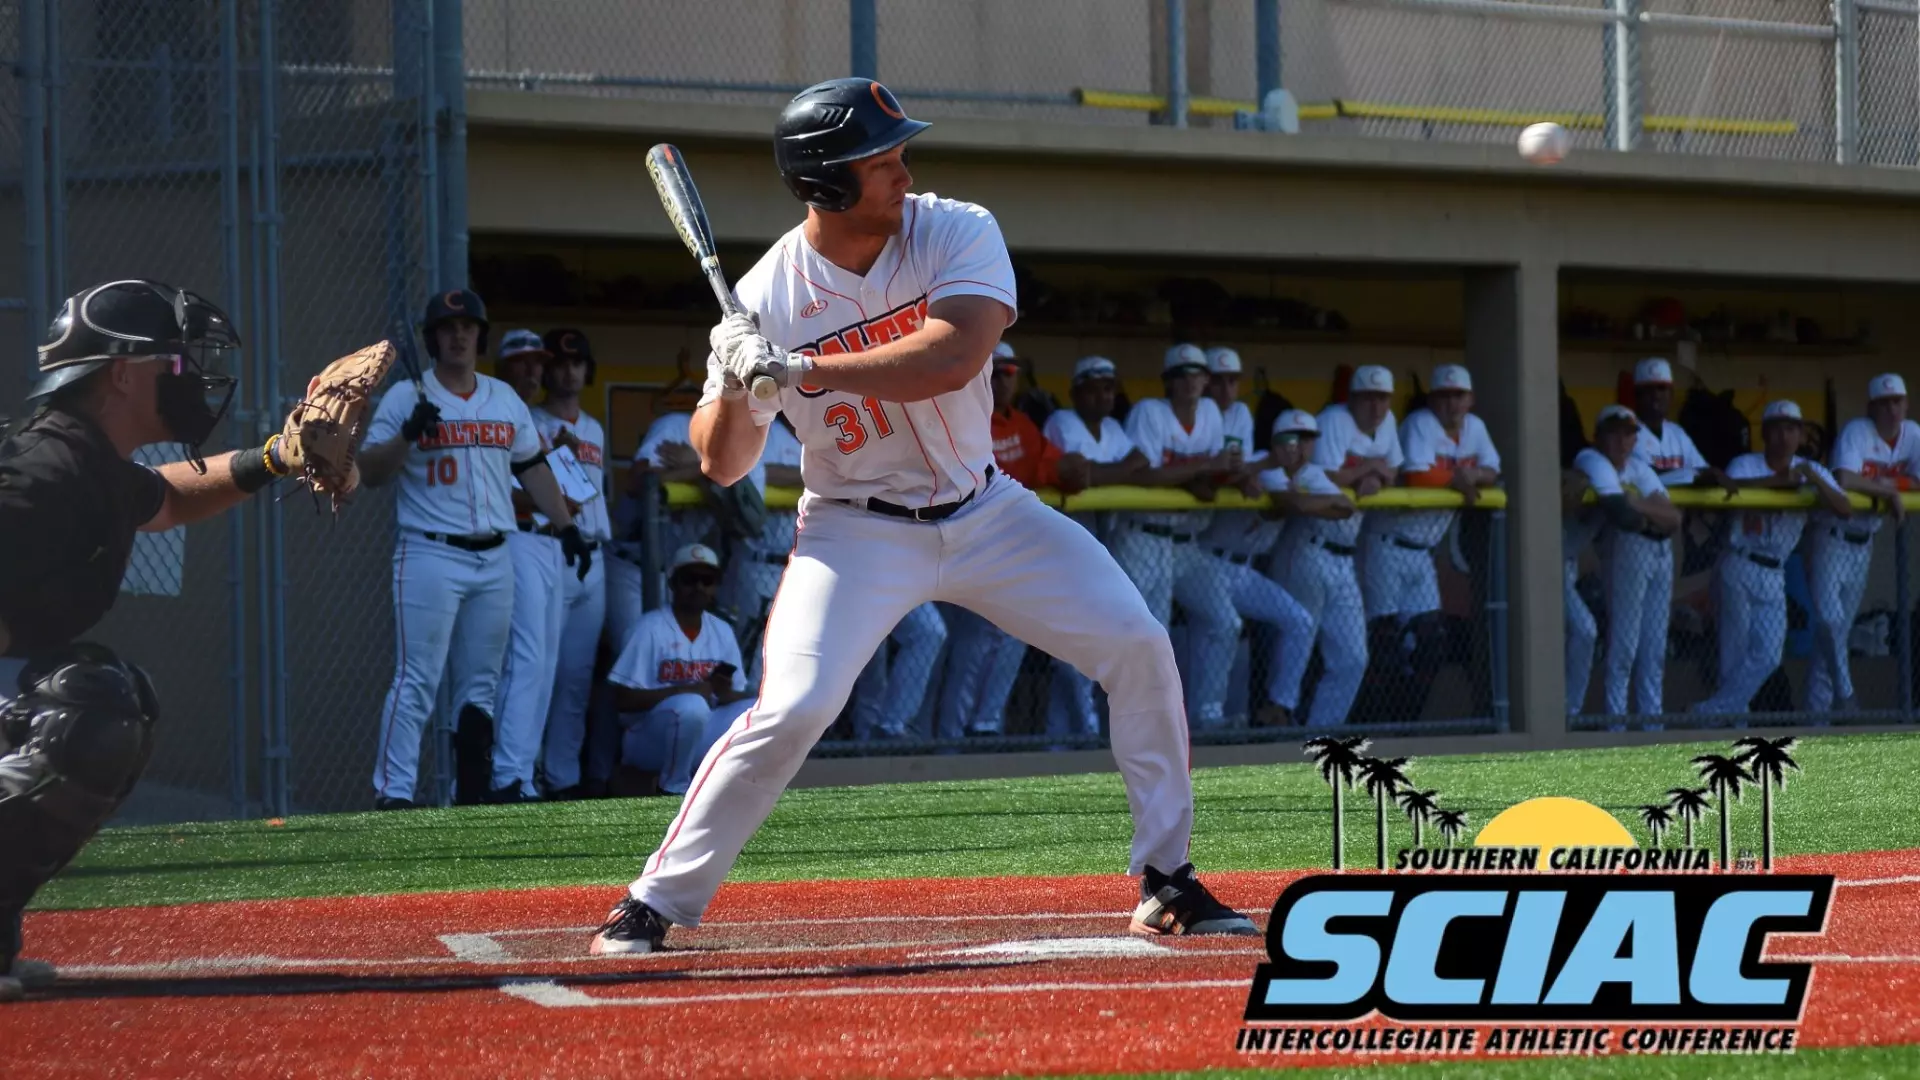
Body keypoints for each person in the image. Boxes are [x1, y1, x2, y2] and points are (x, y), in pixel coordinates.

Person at [591, 78, 1253, 955]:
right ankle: (656, 899)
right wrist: (739, 380)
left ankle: (1167, 878)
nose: (906, 172)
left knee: (1138, 645)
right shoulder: (764, 297)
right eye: (883, 161)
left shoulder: (955, 227)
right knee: (792, 707)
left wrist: (801, 371)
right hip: (855, 530)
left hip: (991, 511)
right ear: (826, 184)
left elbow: (956, 352)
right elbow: (721, 462)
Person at [0, 279, 339, 1000]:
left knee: (112, 700)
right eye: (175, 361)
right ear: (122, 373)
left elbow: (171, 497)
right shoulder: (43, 475)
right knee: (82, 711)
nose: (194, 375)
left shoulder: (86, 460)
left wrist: (281, 454)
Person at [357, 289, 590, 810]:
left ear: (480, 336)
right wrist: (408, 438)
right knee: (417, 677)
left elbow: (531, 466)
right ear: (433, 338)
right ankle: (394, 794)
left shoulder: (503, 398)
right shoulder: (405, 398)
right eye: (447, 328)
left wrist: (565, 526)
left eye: (467, 328)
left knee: (480, 685)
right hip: (429, 554)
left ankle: (474, 795)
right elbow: (370, 473)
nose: (458, 335)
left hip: (495, 554)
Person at [935, 345, 1092, 741]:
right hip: (962, 546)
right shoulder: (957, 416)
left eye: (1010, 372)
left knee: (1009, 635)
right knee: (966, 647)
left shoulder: (1021, 424)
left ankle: (985, 725)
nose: (1006, 379)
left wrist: (1074, 468)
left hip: (1009, 551)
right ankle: (948, 739)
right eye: (998, 371)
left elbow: (1056, 468)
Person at [1691, 401, 1852, 716]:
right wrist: (1783, 482)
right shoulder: (1745, 464)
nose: (1784, 435)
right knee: (1733, 657)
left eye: (1791, 428)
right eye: (1777, 428)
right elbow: (1734, 488)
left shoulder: (1811, 469)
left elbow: (1844, 509)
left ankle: (1711, 711)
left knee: (1768, 655)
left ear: (1800, 433)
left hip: (1776, 570)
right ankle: (1735, 728)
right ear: (1764, 433)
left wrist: (1813, 479)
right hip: (1740, 561)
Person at [1185, 345, 1312, 729]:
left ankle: (1279, 707)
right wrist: (1250, 473)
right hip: (1206, 557)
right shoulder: (1213, 423)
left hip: (1242, 571)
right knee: (1215, 635)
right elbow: (1228, 471)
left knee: (1299, 621)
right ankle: (1203, 720)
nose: (1292, 450)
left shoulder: (1243, 421)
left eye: (1232, 381)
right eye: (1218, 381)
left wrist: (1250, 473)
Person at [1116, 343, 1238, 729]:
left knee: (1218, 623)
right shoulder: (1149, 412)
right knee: (1128, 633)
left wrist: (1205, 477)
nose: (1190, 381)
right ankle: (1103, 722)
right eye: (1181, 374)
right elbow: (1143, 475)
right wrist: (1200, 471)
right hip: (1140, 536)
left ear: (1206, 379)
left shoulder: (1212, 414)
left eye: (1197, 373)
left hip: (1182, 543)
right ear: (1168, 382)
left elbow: (1214, 475)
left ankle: (1206, 715)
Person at [1613, 358, 1739, 721]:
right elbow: (1650, 479)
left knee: (1653, 644)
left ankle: (1651, 723)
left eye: (1663, 389)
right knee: (1625, 645)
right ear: (1637, 395)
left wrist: (1701, 474)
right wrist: (1698, 475)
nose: (1656, 396)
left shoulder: (1677, 434)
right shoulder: (1628, 434)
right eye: (1649, 390)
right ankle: (1614, 725)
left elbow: (1697, 471)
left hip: (1664, 543)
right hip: (1631, 540)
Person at [1377, 364, 1502, 721]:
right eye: (1444, 396)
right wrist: (1459, 480)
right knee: (1385, 644)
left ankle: (1405, 723)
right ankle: (1373, 725)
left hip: (1423, 554)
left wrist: (1471, 475)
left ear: (1470, 399)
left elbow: (1494, 470)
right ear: (1432, 399)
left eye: (1459, 395)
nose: (1452, 403)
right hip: (1387, 544)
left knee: (1430, 642)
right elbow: (1417, 475)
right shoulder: (1420, 423)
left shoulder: (1475, 428)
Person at [1042, 355, 1150, 739]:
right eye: (1094, 387)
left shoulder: (1114, 429)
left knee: (1079, 653)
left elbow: (1141, 463)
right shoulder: (1062, 423)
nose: (1103, 395)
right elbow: (1084, 477)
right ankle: (1084, 733)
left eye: (1109, 387)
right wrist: (1119, 472)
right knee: (1069, 654)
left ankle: (1060, 741)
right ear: (1076, 391)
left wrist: (1108, 473)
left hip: (1100, 555)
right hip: (1063, 558)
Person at [1806, 373, 1918, 713]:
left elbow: (1917, 480)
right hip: (1831, 537)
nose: (1891, 409)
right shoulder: (1857, 431)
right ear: (1872, 407)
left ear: (1906, 404)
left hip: (1864, 543)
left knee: (1835, 634)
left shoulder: (1912, 434)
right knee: (1829, 621)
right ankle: (1847, 694)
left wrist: (1882, 483)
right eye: (1884, 403)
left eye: (1897, 401)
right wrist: (1888, 489)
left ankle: (1817, 720)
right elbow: (1844, 478)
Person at [1562, 406, 1681, 724]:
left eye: (1627, 433)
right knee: (1604, 639)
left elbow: (1674, 519)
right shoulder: (1591, 459)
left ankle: (1649, 723)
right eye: (1613, 433)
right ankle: (1602, 722)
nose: (1620, 441)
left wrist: (1639, 503)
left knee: (1650, 649)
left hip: (1570, 562)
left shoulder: (1639, 468)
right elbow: (1621, 515)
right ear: (1598, 437)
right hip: (1548, 561)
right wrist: (1649, 515)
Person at [533, 328, 612, 799]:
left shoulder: (595, 427)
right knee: (541, 668)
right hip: (551, 547)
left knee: (578, 675)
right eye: (559, 363)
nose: (568, 371)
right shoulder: (531, 420)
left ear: (587, 369)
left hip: (596, 553)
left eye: (576, 362)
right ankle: (529, 771)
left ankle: (563, 778)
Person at [607, 544, 754, 795]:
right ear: (673, 583)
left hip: (698, 730)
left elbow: (735, 694)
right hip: (648, 739)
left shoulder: (722, 630)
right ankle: (673, 788)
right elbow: (621, 700)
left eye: (706, 580)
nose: (698, 587)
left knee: (758, 708)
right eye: (689, 579)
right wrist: (686, 691)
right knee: (691, 706)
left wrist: (725, 693)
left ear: (715, 587)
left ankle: (737, 788)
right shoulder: (648, 629)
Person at [490, 329, 567, 803]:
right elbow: (494, 489)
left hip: (550, 542)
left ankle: (522, 770)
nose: (533, 371)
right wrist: (559, 505)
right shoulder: (495, 409)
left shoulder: (532, 419)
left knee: (546, 663)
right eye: (521, 362)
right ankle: (507, 774)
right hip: (516, 539)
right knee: (525, 659)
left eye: (537, 363)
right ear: (503, 367)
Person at [1258, 409, 1363, 727]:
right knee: (1297, 640)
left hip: (1344, 563)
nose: (1300, 447)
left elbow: (1345, 507)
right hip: (1307, 555)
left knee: (1354, 658)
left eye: (1307, 439)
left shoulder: (1315, 473)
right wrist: (1324, 502)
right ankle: (1279, 711)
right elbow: (1299, 505)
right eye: (1293, 439)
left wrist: (1314, 502)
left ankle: (1323, 732)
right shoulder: (1271, 470)